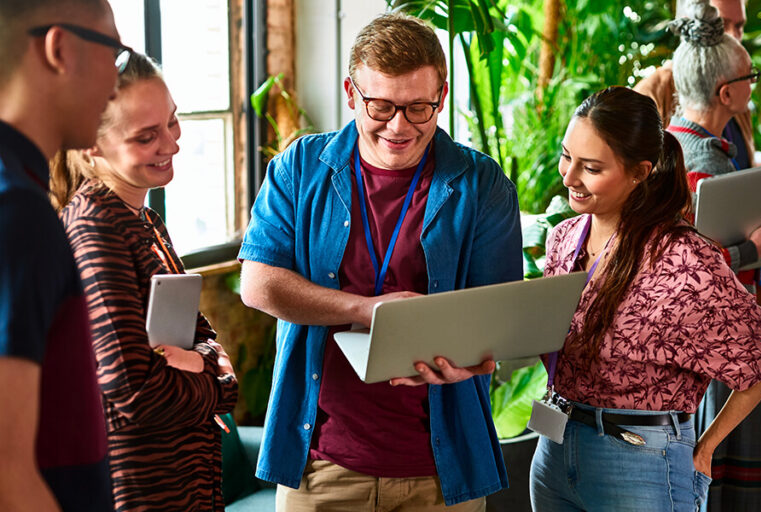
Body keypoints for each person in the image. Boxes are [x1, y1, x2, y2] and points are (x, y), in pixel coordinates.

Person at [237, 12, 522, 511]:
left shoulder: (482, 185)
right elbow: (258, 284)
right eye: (381, 106)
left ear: (443, 96)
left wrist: (467, 361)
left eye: (419, 108)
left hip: (441, 469)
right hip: (321, 464)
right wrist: (365, 310)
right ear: (351, 93)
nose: (399, 126)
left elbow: (497, 315)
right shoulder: (300, 167)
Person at [529, 86, 761, 512]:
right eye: (567, 156)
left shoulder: (684, 259)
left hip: (640, 460)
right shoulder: (563, 238)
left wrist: (705, 449)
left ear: (639, 172)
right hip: (555, 450)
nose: (568, 177)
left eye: (591, 167)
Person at [51, 51, 238, 511]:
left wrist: (202, 359)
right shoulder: (96, 230)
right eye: (146, 137)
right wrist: (216, 383)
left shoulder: (145, 219)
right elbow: (135, 394)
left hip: (186, 481)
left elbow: (202, 338)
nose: (172, 145)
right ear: (91, 144)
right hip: (145, 491)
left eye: (172, 123)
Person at [0, 1, 123, 510]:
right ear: (60, 48)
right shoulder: (18, 212)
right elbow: (7, 472)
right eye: (113, 53)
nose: (116, 87)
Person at [665, 2, 761, 510]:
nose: (753, 85)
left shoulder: (671, 142)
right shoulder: (702, 162)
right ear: (727, 92)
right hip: (716, 345)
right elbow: (688, 262)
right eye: (749, 77)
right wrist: (753, 249)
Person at [634, 0, 754, 164]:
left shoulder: (738, 88)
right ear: (688, 24)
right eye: (720, 25)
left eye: (739, 26)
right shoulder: (649, 95)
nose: (733, 36)